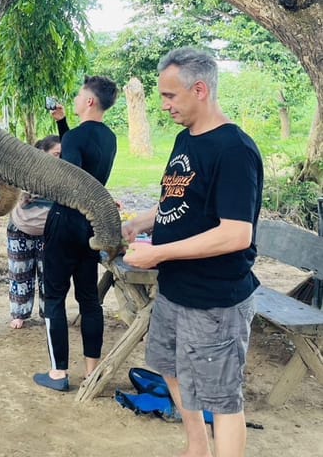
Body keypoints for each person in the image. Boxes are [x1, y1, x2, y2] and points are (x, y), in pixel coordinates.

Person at [122, 47, 262, 457]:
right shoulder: (186, 140)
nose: (164, 105)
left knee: (222, 398)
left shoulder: (234, 150)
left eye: (170, 97)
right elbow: (177, 200)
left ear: (199, 89)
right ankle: (196, 449)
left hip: (216, 301)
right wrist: (143, 223)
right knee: (171, 369)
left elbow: (237, 234)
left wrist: (158, 254)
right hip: (176, 291)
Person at [33, 76, 118, 392]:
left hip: (64, 222)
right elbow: (82, 160)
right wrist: (63, 122)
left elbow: (70, 177)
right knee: (88, 299)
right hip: (90, 226)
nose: (76, 98)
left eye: (80, 95)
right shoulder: (109, 138)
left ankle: (58, 374)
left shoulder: (77, 138)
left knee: (54, 297)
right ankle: (91, 371)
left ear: (90, 101)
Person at [0, 135, 62, 329]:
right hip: (19, 229)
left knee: (48, 274)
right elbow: (5, 189)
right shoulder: (22, 171)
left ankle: (49, 313)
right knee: (20, 273)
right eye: (56, 154)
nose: (60, 158)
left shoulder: (64, 176)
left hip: (48, 232)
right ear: (42, 153)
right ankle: (19, 314)